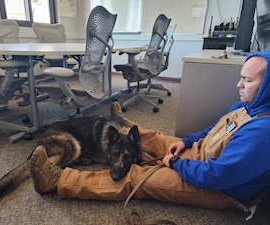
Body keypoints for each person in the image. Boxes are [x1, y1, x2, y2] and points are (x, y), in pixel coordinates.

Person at [30, 50, 270, 213]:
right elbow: (212, 130)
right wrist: (187, 142)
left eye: (247, 81)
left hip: (218, 188)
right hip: (203, 154)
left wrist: (175, 163)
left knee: (133, 177)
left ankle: (58, 181)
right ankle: (122, 124)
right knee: (152, 138)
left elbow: (216, 176)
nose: (238, 84)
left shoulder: (262, 134)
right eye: (241, 78)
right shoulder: (247, 107)